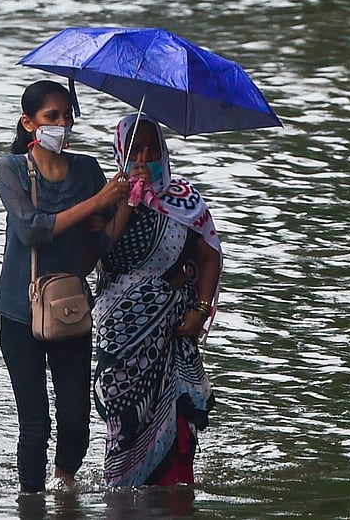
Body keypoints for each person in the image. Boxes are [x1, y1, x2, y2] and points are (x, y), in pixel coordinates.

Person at [0, 80, 130, 494]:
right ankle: (31, 501)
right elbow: (33, 230)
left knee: (76, 417)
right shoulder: (12, 168)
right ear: (29, 122)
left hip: (70, 308)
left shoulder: (88, 170)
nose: (61, 125)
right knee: (34, 423)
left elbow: (102, 245)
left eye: (67, 117)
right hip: (20, 310)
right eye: (52, 117)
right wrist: (95, 204)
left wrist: (118, 206)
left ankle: (64, 482)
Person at [94, 113, 221, 487]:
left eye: (153, 148)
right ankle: (122, 496)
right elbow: (98, 252)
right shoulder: (105, 198)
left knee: (178, 425)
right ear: (121, 151)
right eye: (135, 148)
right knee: (124, 418)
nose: (144, 156)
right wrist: (130, 200)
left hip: (174, 328)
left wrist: (200, 311)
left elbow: (209, 255)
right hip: (121, 330)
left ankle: (175, 495)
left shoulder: (183, 199)